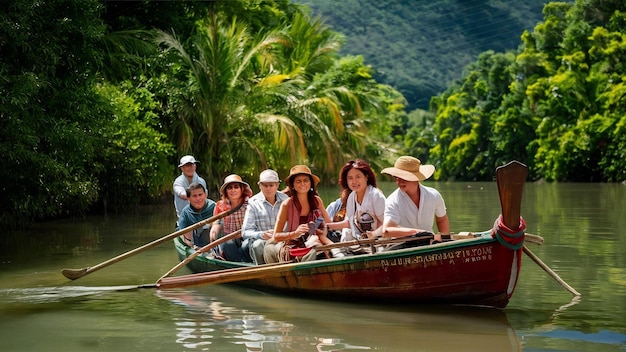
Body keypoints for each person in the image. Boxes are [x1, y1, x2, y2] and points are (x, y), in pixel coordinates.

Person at [264, 165, 333, 263]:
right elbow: (276, 236)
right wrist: (295, 233)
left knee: (318, 249)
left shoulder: (317, 201)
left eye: (306, 180)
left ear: (311, 183)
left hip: (316, 240)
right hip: (293, 245)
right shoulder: (287, 204)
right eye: (298, 181)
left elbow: (329, 224)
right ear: (293, 185)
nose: (302, 184)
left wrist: (320, 229)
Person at [380, 156, 450, 243]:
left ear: (416, 178)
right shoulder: (393, 200)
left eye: (403, 177)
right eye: (396, 177)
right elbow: (387, 231)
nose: (399, 181)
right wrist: (418, 233)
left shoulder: (434, 195)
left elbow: (442, 220)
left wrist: (445, 241)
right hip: (403, 247)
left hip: (429, 244)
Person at [326, 159, 386, 242]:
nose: (354, 181)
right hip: (361, 240)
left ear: (366, 177)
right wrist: (327, 227)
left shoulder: (376, 196)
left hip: (380, 240)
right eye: (350, 178)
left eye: (358, 177)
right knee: (346, 232)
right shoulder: (352, 196)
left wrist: (374, 234)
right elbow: (349, 222)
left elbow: (387, 223)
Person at [241, 169, 289, 265]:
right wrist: (262, 234)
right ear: (260, 186)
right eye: (265, 185)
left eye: (271, 185)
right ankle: (262, 272)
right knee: (257, 245)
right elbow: (245, 232)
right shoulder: (253, 202)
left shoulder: (286, 200)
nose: (268, 188)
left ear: (277, 185)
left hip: (283, 239)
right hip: (262, 242)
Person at [209, 174, 253, 262]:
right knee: (227, 244)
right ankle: (237, 265)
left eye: (236, 187)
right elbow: (217, 222)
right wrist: (214, 232)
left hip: (246, 236)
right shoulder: (221, 205)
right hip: (229, 238)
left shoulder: (250, 203)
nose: (233, 190)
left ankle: (246, 264)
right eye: (230, 188)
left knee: (247, 245)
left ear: (241, 189)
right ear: (226, 191)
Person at [177, 182, 216, 248]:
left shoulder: (214, 207)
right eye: (194, 196)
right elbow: (182, 234)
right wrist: (192, 246)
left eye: (200, 195)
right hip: (196, 244)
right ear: (188, 198)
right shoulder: (186, 212)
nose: (198, 199)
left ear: (205, 195)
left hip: (215, 241)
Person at [173, 155, 207, 226]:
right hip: (184, 221)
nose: (190, 168)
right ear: (182, 168)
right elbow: (182, 194)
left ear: (195, 166)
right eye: (187, 166)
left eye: (192, 165)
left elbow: (205, 198)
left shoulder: (201, 181)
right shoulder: (178, 182)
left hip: (201, 220)